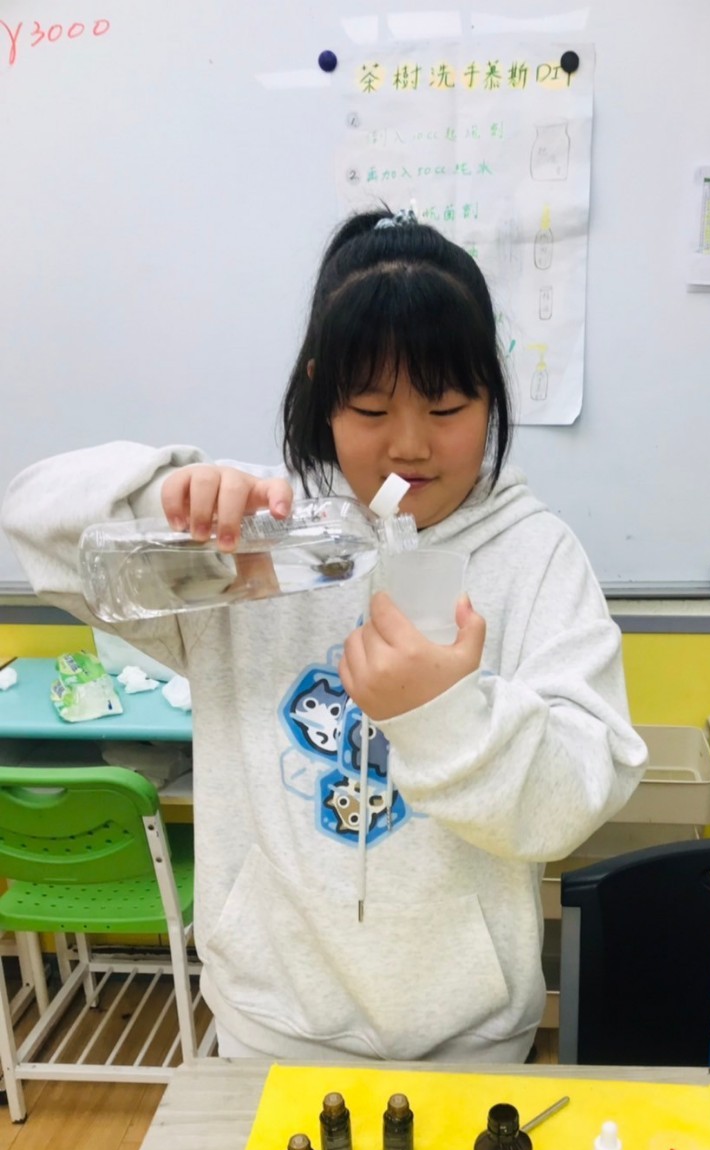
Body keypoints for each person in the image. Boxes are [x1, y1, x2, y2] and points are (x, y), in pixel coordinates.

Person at [2, 208, 647, 1064]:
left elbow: (577, 793)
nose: (410, 446)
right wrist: (162, 504)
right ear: (322, 393)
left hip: (470, 1036)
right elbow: (33, 523)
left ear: (491, 397)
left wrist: (444, 716)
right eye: (371, 407)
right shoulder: (254, 540)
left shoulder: (535, 556)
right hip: (271, 1025)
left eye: (448, 406)